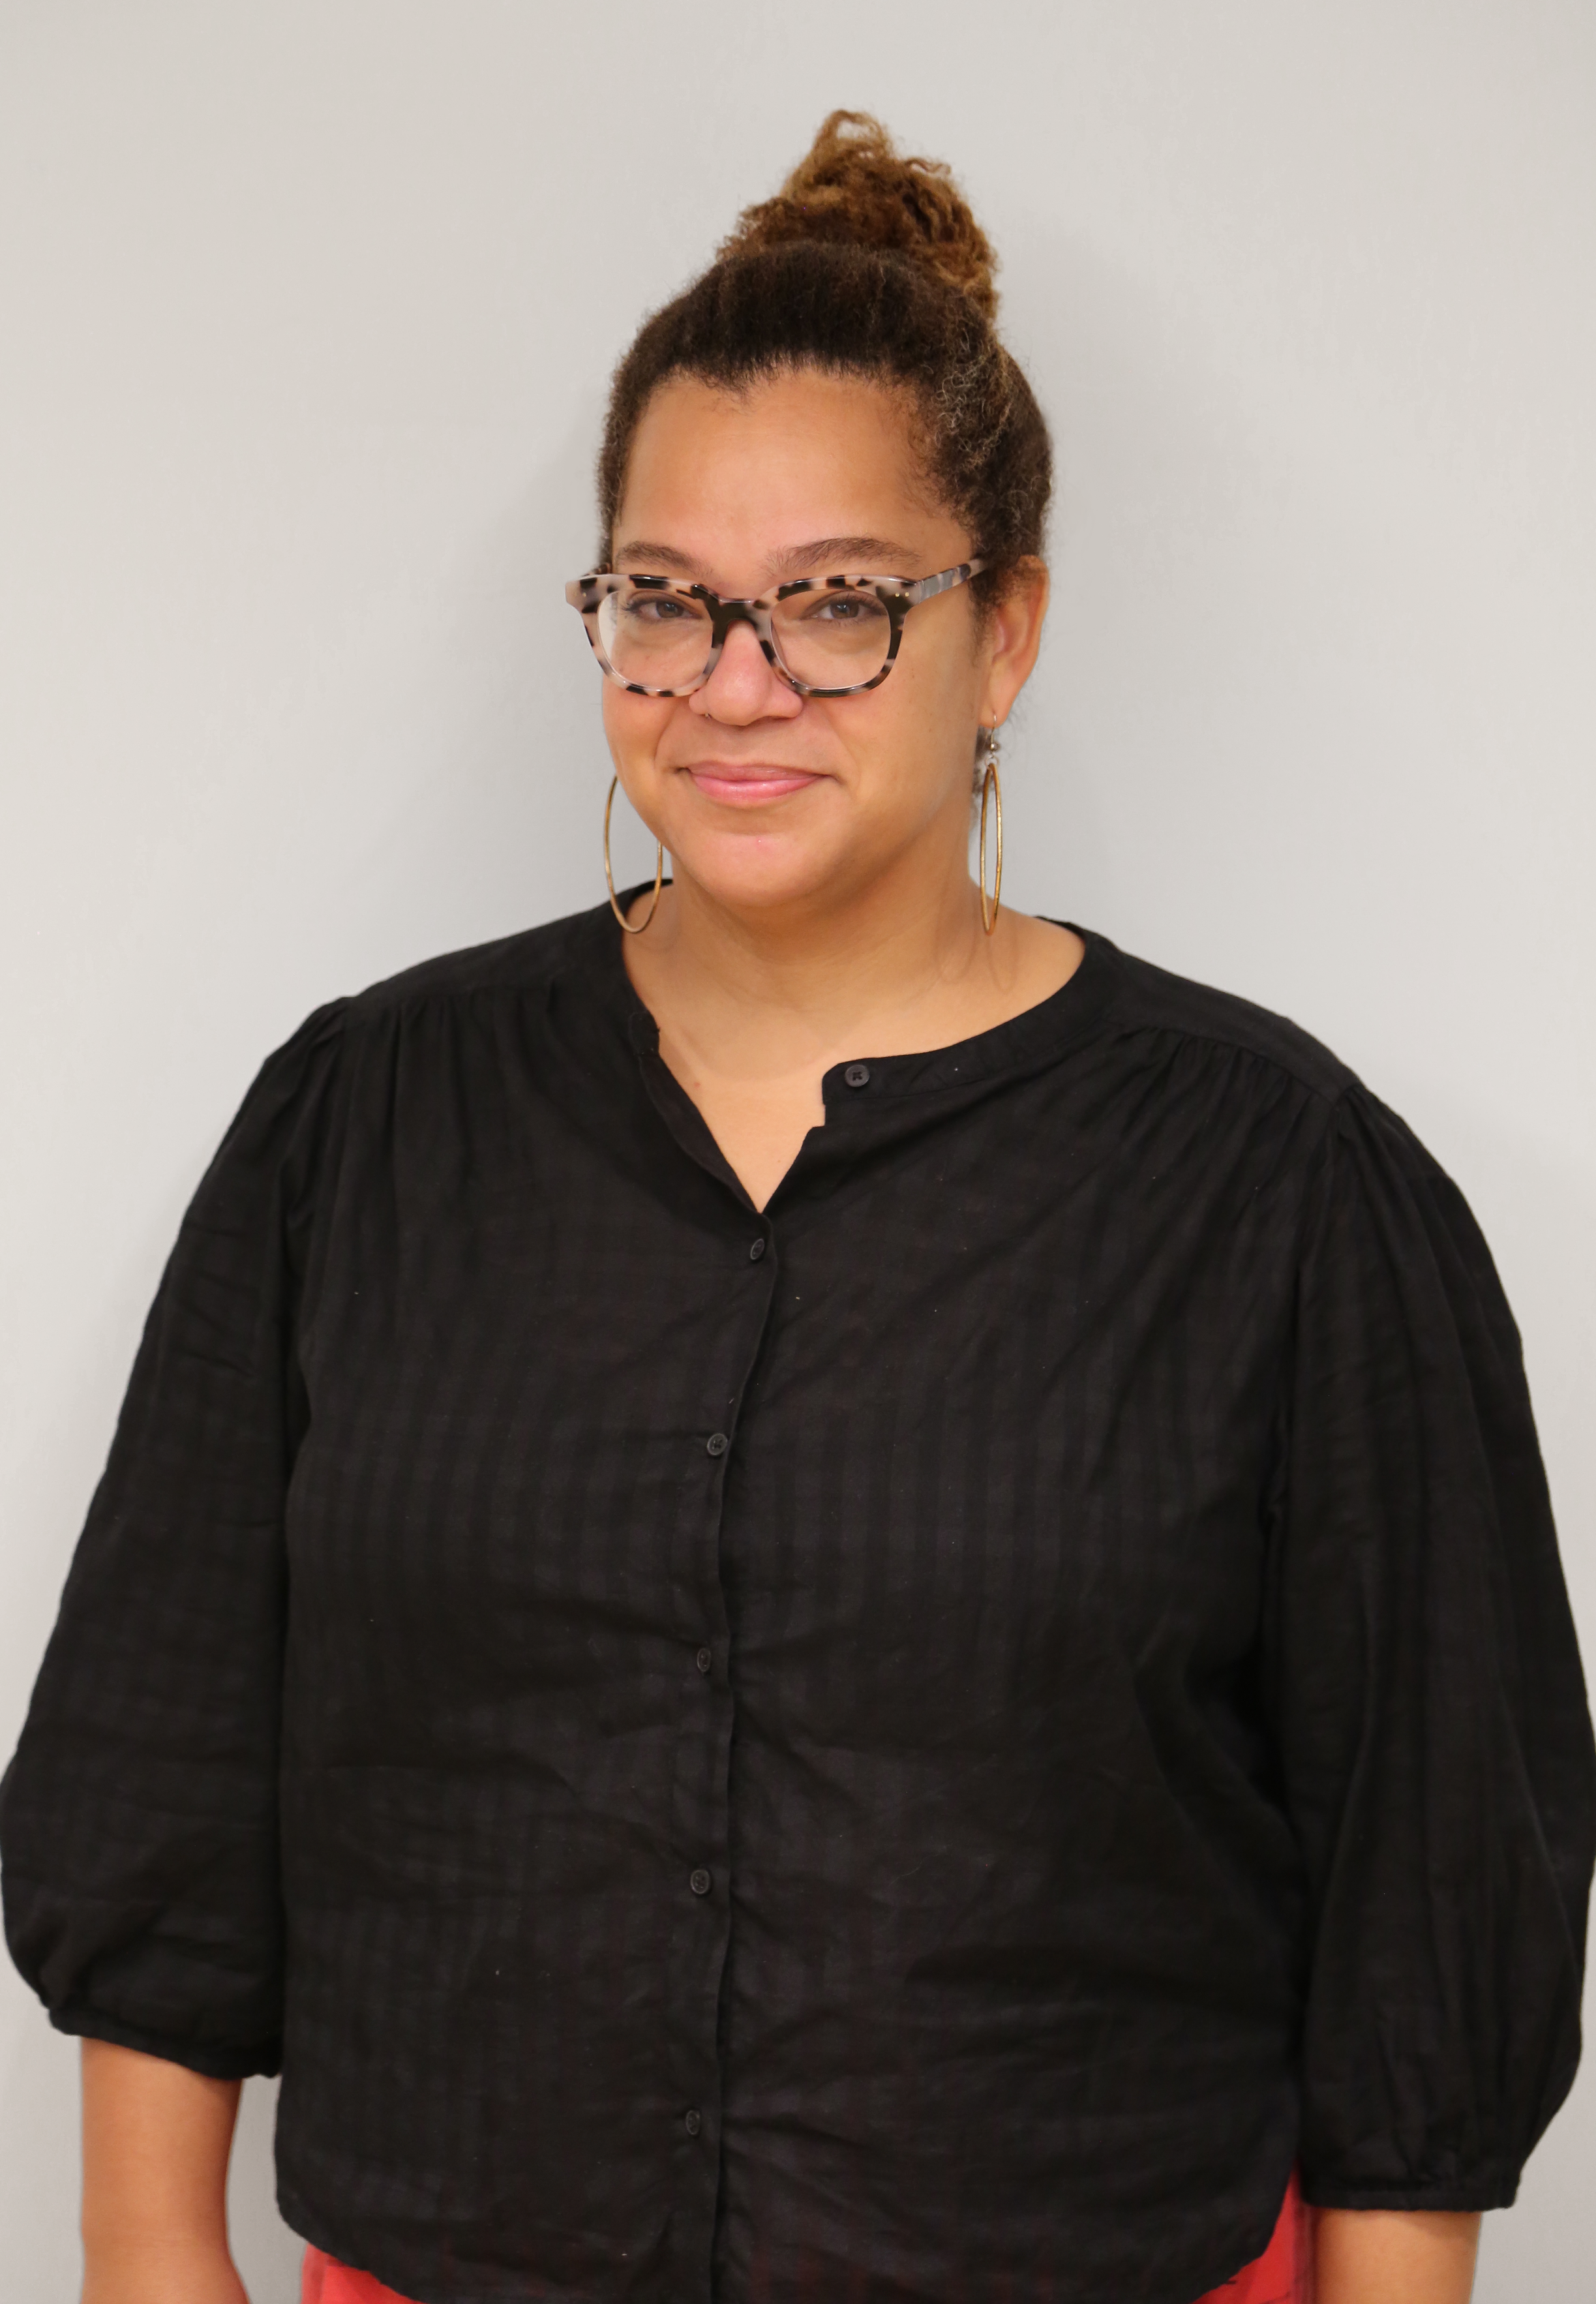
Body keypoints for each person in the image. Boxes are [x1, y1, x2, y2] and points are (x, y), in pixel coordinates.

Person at [2, 110, 1591, 2304]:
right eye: (665, 599)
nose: (732, 682)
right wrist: (145, 2270)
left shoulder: (1282, 1189)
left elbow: (1429, 1892)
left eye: (836, 605)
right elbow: (163, 1773)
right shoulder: (360, 1129)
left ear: (1002, 629)